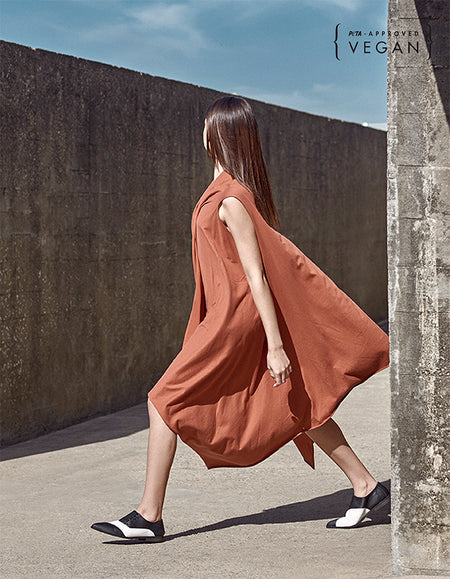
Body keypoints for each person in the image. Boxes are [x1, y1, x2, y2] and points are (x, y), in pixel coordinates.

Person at [92, 96, 390, 542]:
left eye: (207, 125)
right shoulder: (222, 191)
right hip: (225, 316)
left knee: (162, 398)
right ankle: (365, 486)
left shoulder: (232, 198)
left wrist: (275, 345)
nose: (202, 131)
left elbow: (257, 275)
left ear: (219, 135)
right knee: (294, 401)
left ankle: (149, 516)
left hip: (236, 321)